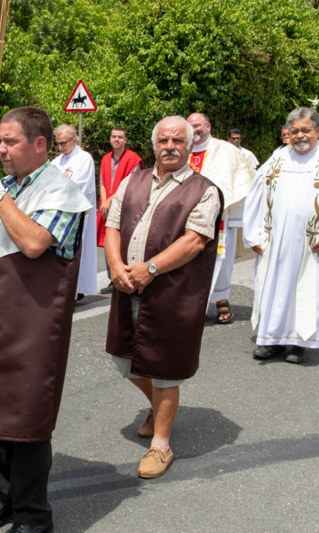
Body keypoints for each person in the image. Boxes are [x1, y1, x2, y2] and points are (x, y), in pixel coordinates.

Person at [0, 106, 91, 533]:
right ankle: (7, 493)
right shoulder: (6, 187)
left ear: (40, 144)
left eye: (10, 141)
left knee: (24, 417)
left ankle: (34, 513)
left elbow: (33, 243)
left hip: (33, 321)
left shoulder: (60, 189)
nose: (0, 149)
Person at [104, 115, 222, 479]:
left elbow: (194, 241)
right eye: (163, 141)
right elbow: (112, 225)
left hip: (172, 292)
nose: (170, 147)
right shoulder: (133, 180)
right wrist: (115, 266)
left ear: (190, 145)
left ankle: (161, 445)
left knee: (165, 370)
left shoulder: (204, 190)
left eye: (178, 141)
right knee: (123, 359)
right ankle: (159, 407)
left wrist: (150, 269)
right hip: (127, 285)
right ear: (154, 145)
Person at [244, 108, 319, 364]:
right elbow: (256, 195)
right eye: (295, 130)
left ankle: (301, 343)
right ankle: (272, 340)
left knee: (308, 291)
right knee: (274, 289)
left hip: (315, 243)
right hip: (276, 241)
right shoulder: (277, 158)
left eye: (306, 130)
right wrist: (254, 235)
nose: (300, 135)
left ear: (317, 131)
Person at [187, 114, 254, 324]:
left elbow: (243, 180)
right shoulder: (181, 148)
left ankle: (221, 299)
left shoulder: (226, 150)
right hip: (185, 218)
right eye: (190, 126)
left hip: (219, 217)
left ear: (208, 126)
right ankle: (192, 304)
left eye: (198, 125)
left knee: (220, 260)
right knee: (187, 260)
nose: (194, 129)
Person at [51, 124, 97, 298]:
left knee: (74, 252)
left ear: (74, 140)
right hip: (58, 212)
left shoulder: (84, 158)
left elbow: (81, 186)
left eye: (63, 143)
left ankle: (75, 290)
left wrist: (57, 191)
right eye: (57, 143)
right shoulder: (56, 162)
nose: (60, 147)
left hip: (76, 213)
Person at [98, 127, 142, 294]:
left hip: (124, 205)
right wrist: (104, 202)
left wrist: (110, 201)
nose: (116, 139)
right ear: (110, 139)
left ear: (125, 140)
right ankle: (112, 279)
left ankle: (124, 276)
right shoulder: (105, 159)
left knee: (122, 241)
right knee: (107, 241)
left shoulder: (133, 159)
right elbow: (102, 183)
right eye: (114, 136)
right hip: (106, 206)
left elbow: (130, 185)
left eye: (120, 137)